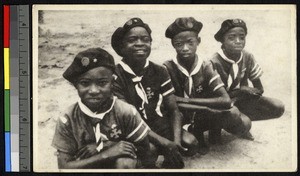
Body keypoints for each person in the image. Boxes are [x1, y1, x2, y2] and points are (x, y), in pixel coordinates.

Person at [111, 18, 198, 168]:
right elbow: (128, 119)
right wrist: (164, 142)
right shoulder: (115, 76)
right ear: (122, 47)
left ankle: (168, 150)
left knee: (190, 144)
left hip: (157, 122)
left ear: (150, 44)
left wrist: (175, 142)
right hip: (132, 128)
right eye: (132, 40)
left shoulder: (159, 71)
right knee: (150, 152)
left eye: (145, 39)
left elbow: (174, 110)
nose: (139, 43)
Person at [52, 48, 155, 169]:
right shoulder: (67, 119)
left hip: (119, 166)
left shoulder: (125, 111)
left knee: (125, 163)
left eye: (102, 83)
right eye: (85, 83)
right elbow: (64, 166)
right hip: (86, 167)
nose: (94, 91)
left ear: (112, 83)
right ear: (76, 85)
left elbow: (147, 150)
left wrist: (111, 145)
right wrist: (105, 152)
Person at [163, 17, 252, 148]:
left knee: (241, 120)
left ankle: (198, 129)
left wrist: (184, 100)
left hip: (200, 114)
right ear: (173, 45)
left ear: (198, 41)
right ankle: (189, 134)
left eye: (190, 42)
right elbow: (170, 105)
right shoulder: (167, 68)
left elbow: (225, 100)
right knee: (189, 145)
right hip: (179, 115)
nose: (185, 48)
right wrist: (204, 106)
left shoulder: (205, 66)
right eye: (179, 44)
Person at [210, 19, 285, 124]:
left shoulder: (247, 57)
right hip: (222, 104)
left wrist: (245, 93)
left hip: (242, 100)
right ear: (223, 40)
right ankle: (225, 125)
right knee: (244, 124)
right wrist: (242, 89)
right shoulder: (214, 62)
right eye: (231, 38)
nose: (238, 41)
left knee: (278, 107)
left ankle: (241, 120)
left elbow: (259, 89)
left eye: (242, 37)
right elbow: (217, 97)